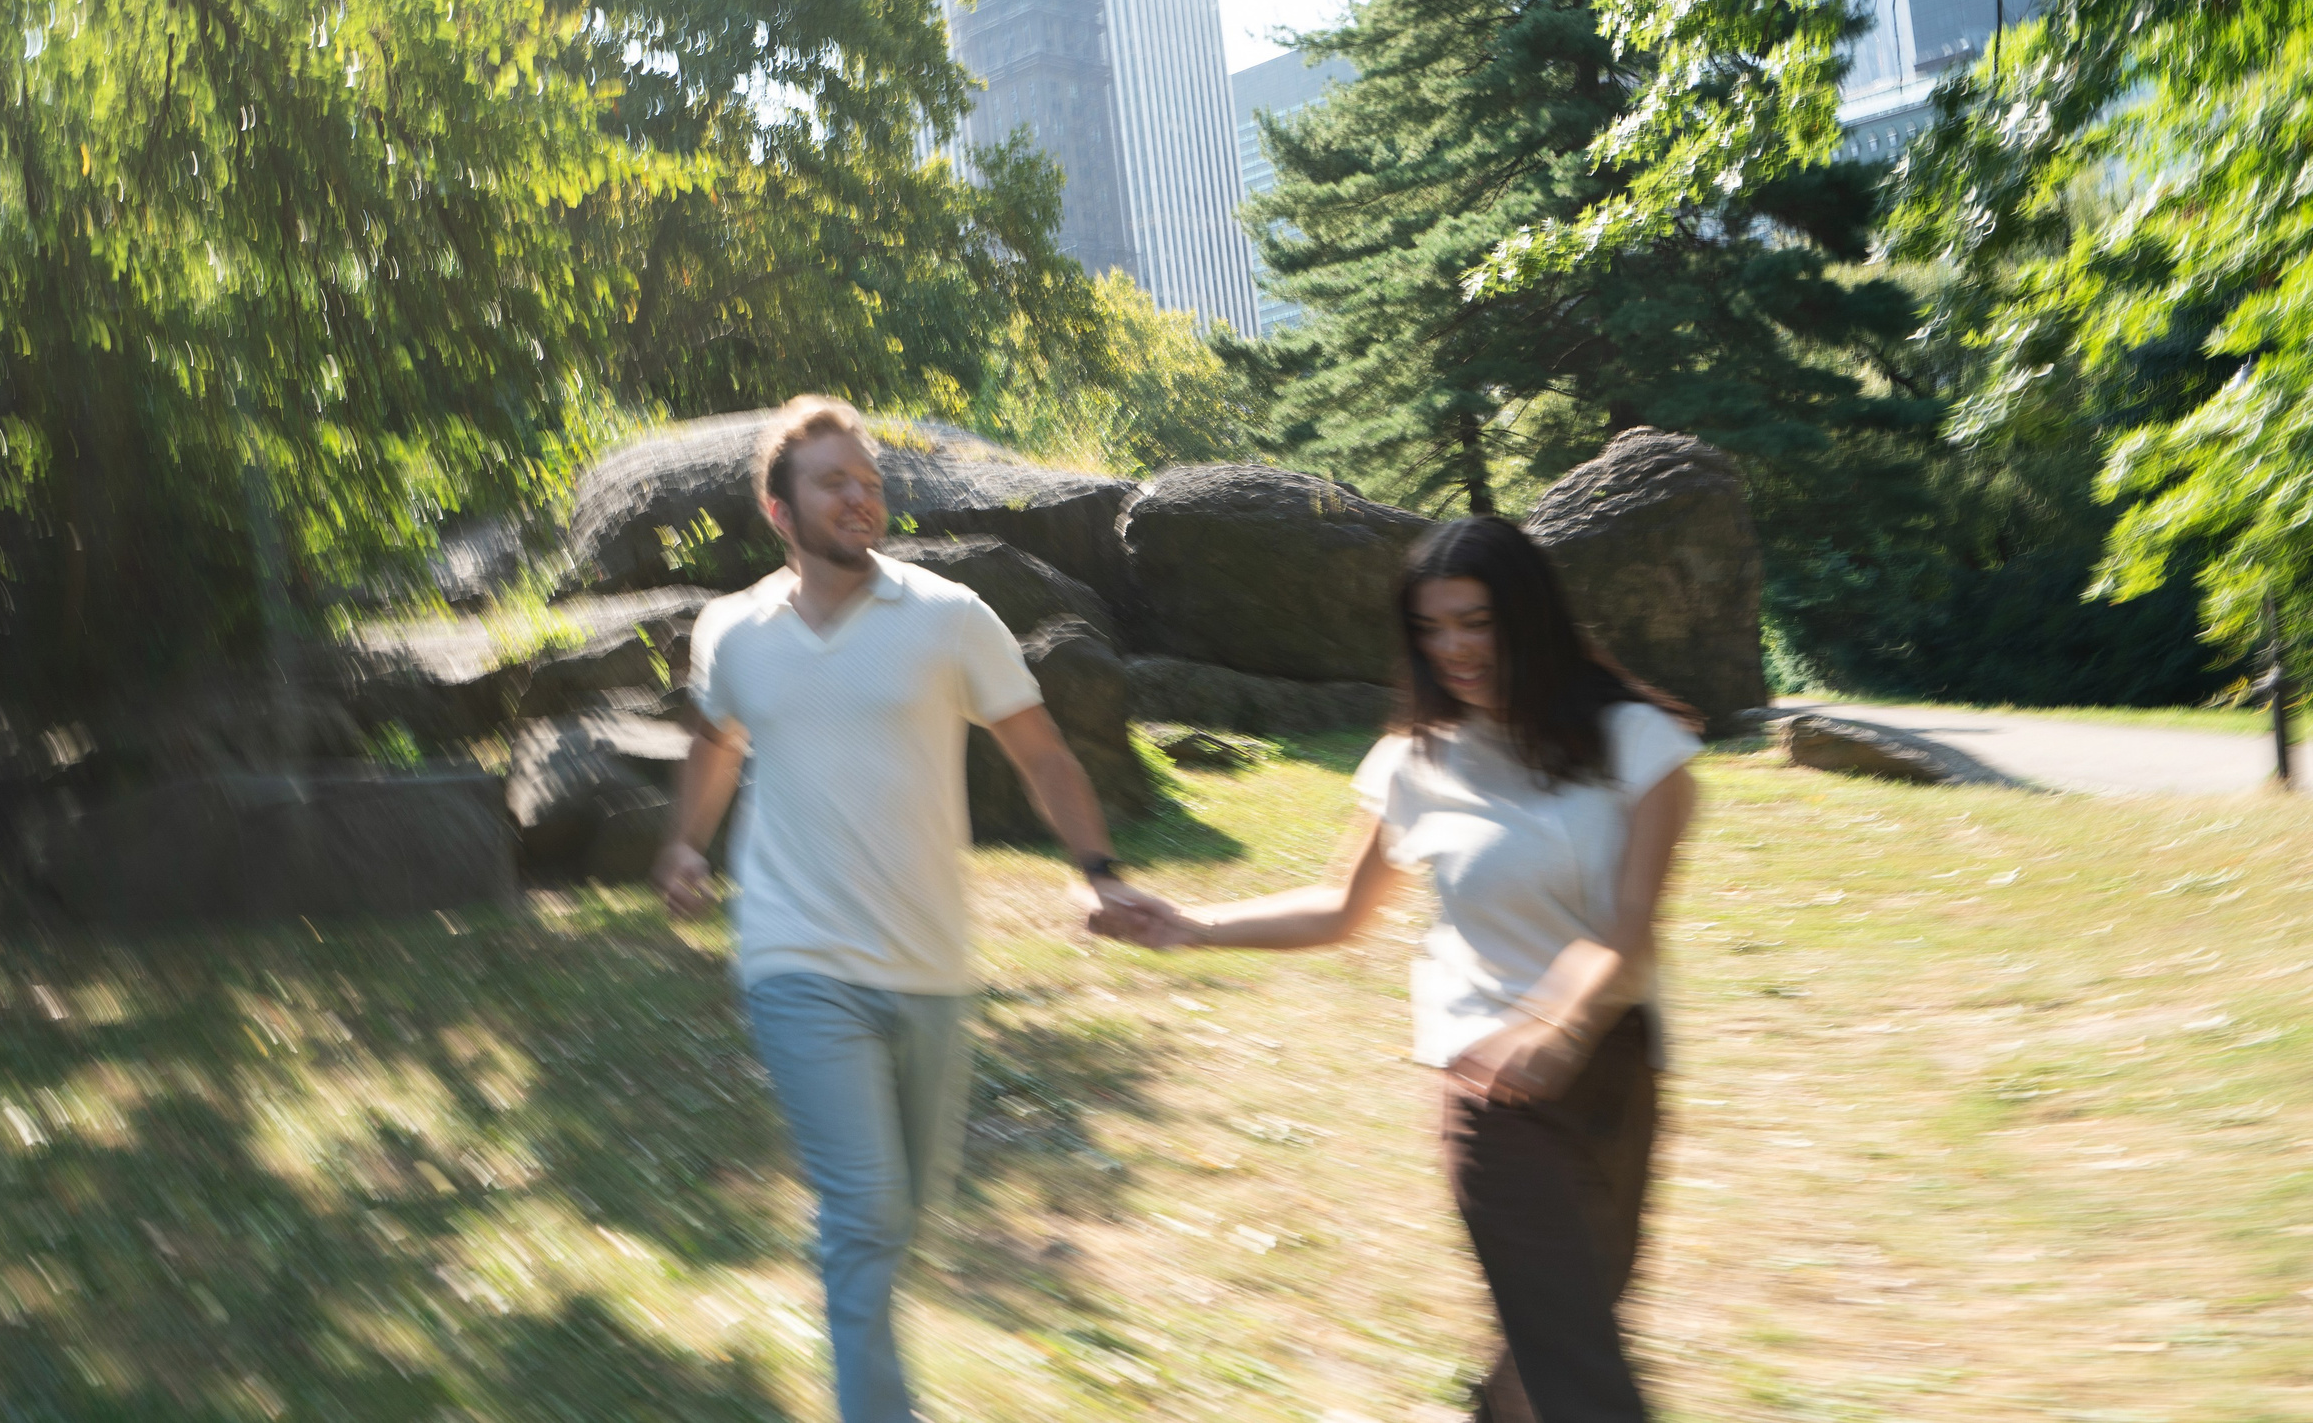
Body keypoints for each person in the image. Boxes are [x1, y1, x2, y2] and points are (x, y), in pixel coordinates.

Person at [1092, 515, 1700, 1423]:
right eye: (1431, 627)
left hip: (1614, 1062)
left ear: (1529, 616)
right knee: (1578, 1358)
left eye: (1476, 621)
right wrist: (1190, 924)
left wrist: (1561, 1024)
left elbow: (1630, 928)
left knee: (1562, 1330)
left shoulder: (1637, 742)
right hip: (1486, 1075)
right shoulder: (1416, 759)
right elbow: (1341, 907)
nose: (1453, 647)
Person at [652, 395, 1161, 1423]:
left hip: (930, 962)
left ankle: (867, 1358)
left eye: (871, 481)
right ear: (780, 510)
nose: (862, 498)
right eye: (834, 482)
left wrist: (1097, 867)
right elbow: (717, 745)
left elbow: (1041, 753)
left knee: (905, 1212)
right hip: (794, 953)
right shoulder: (733, 631)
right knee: (866, 1205)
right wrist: (684, 844)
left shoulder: (948, 616)